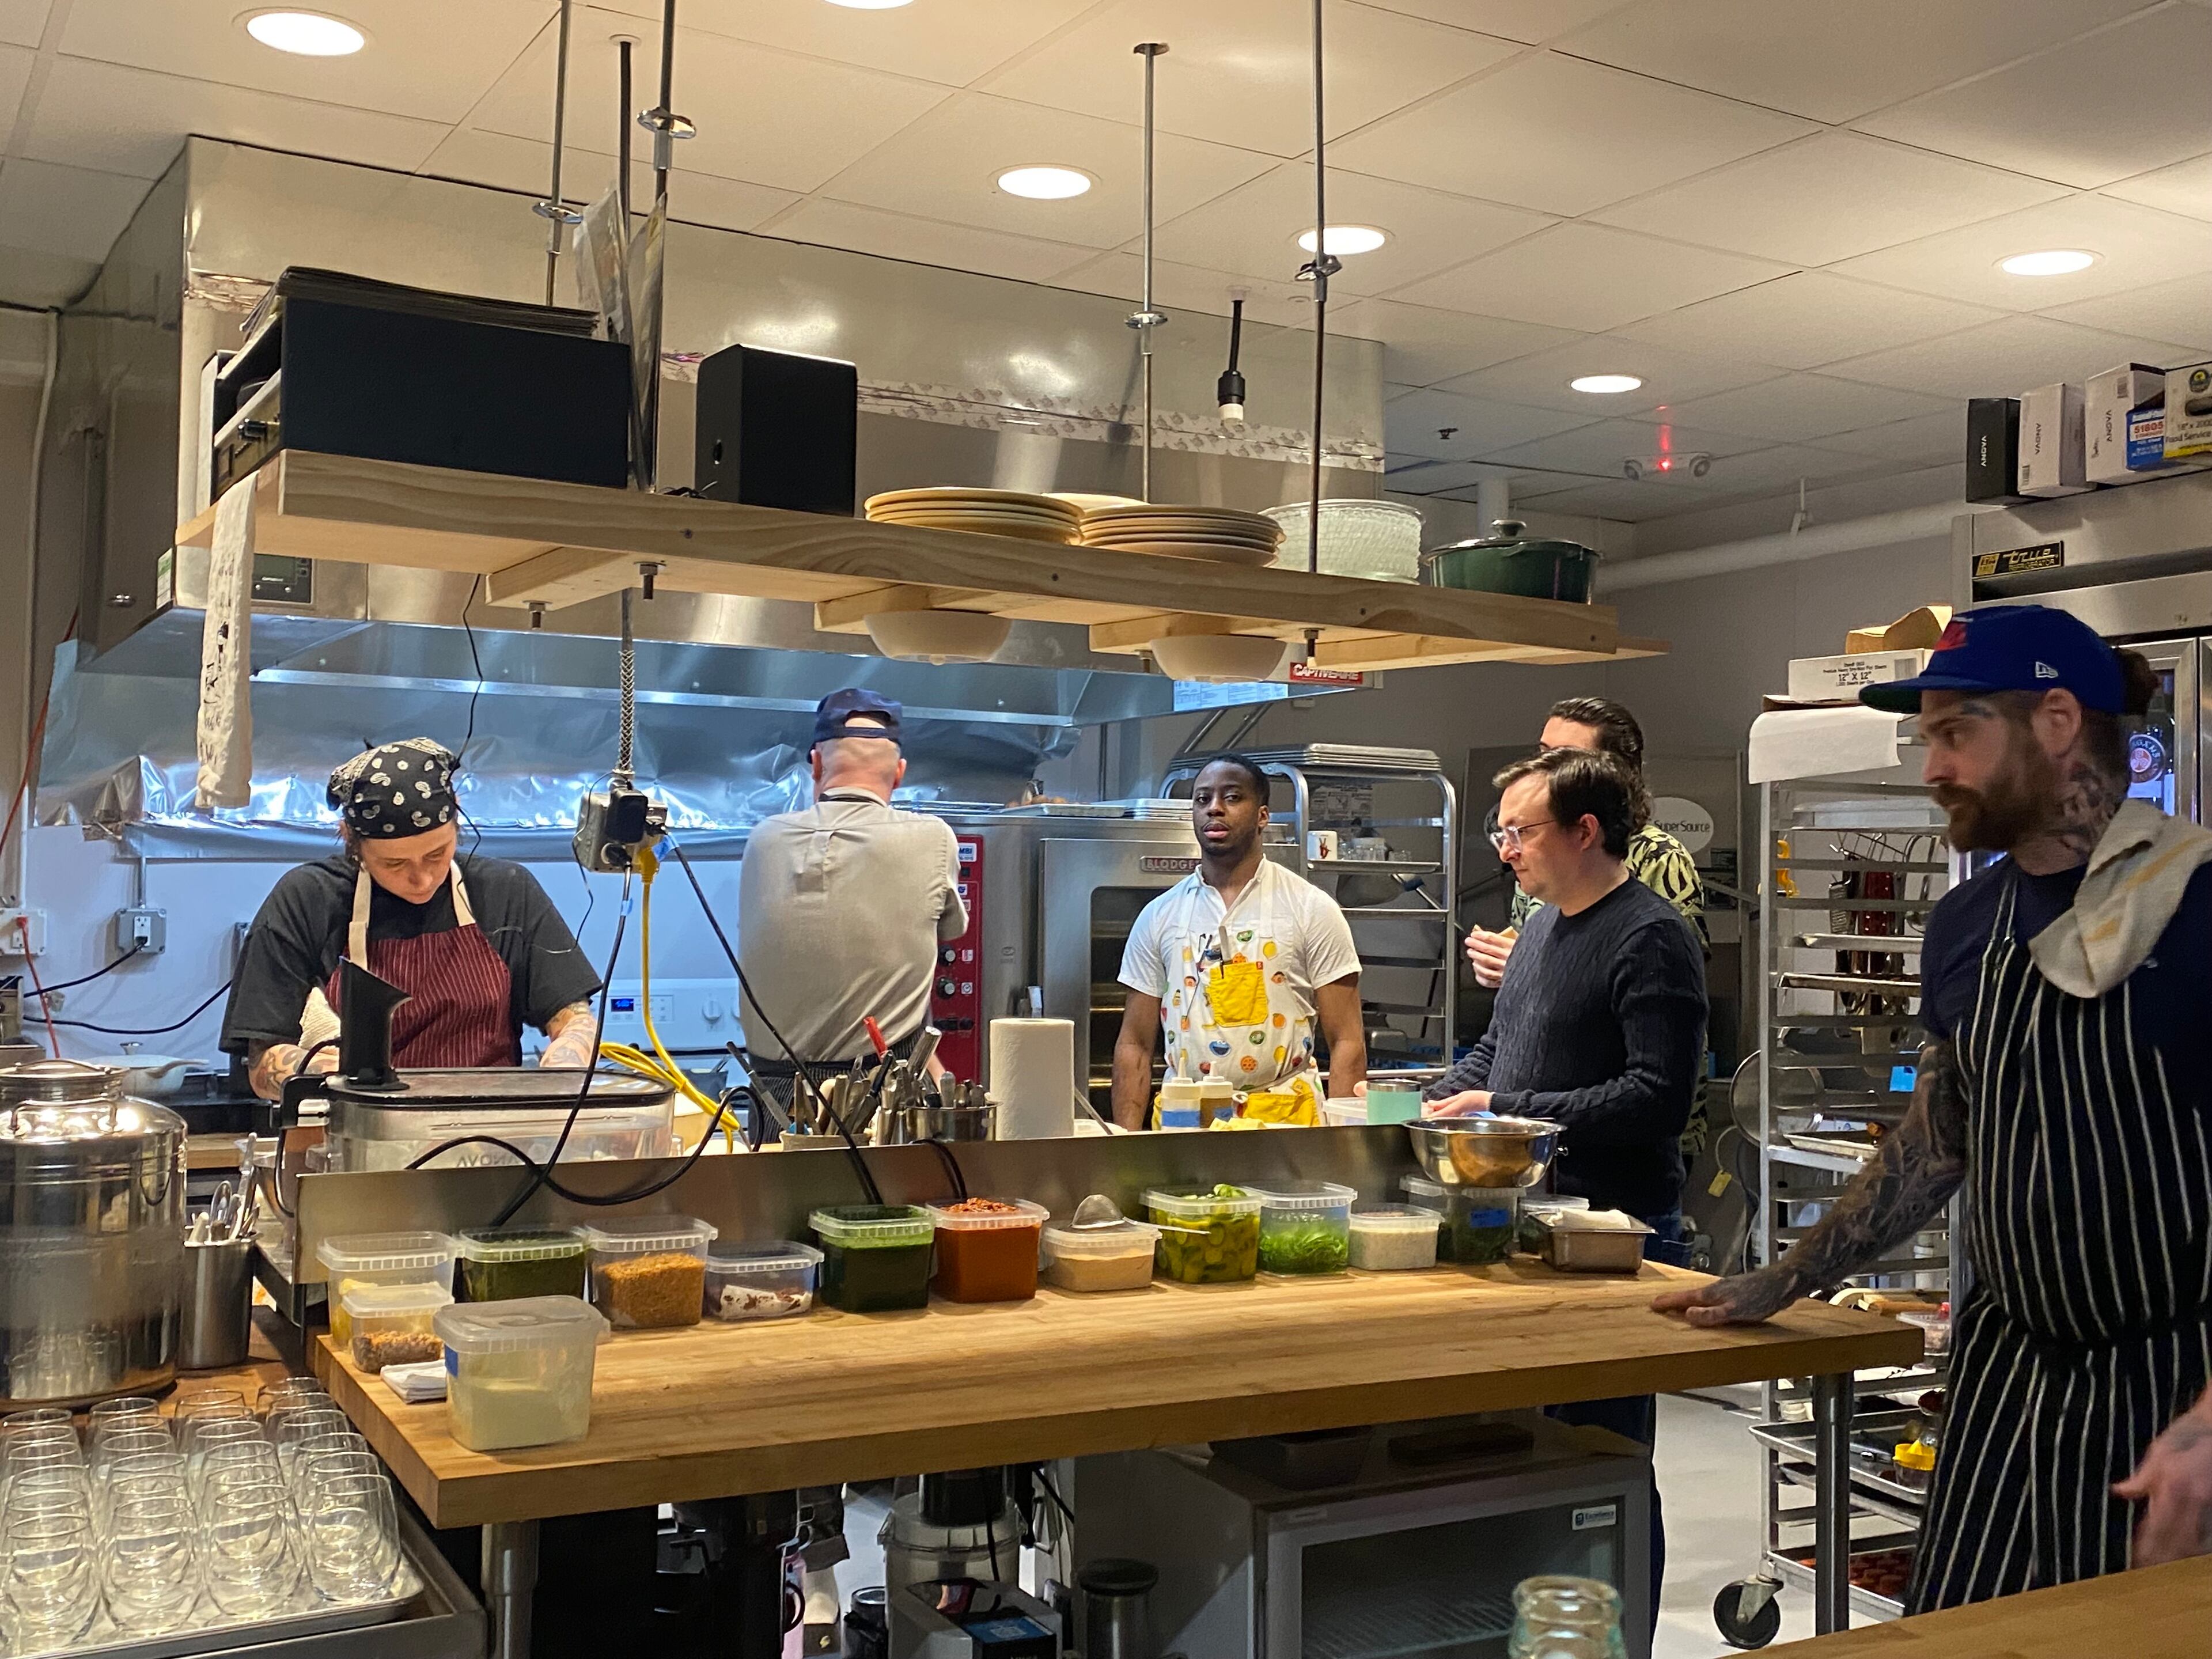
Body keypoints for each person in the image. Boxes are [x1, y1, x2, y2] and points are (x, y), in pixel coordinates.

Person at [1654, 603, 2212, 1609]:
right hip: (2005, 1375)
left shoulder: (2200, 908)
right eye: (1927, 739)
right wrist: (1780, 1279)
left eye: (1955, 734)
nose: (1930, 769)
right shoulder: (1967, 923)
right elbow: (1941, 1142)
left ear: (2053, 722)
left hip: (2180, 1389)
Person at [1425, 747, 1707, 1635]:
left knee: (1605, 1462)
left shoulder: (1651, 936)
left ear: (1586, 832)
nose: (1505, 849)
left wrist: (1506, 1107)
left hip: (1617, 1242)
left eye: (1521, 830)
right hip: (1531, 1229)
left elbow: (1657, 1096)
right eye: (1499, 831)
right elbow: (1498, 1053)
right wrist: (1419, 1094)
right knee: (1533, 1456)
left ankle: (1619, 1641)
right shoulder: (1543, 927)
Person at [222, 738, 601, 1099]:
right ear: (351, 840)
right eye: (395, 863)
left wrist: (567, 1061)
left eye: (437, 854)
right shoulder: (308, 900)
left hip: (488, 1137)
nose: (421, 879)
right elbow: (260, 1067)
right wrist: (327, 1071)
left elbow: (574, 1019)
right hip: (355, 1141)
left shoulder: (507, 892)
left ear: (457, 820)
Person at [736, 689, 965, 1111]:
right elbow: (950, 930)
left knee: (777, 1178)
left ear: (817, 765)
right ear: (898, 773)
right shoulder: (933, 838)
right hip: (885, 1098)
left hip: (776, 1099)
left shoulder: (763, 840)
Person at [1112, 753, 1365, 1128]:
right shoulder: (1160, 916)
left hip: (1286, 1125)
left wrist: (1345, 1146)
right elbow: (1134, 1045)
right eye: (1203, 799)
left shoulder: (1311, 908)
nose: (1215, 809)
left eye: (1232, 797)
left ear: (1263, 816)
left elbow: (1347, 1041)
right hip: (1184, 1121)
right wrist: (1123, 1147)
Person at [1465, 695, 1706, 990]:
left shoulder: (1660, 857)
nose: (1544, 768)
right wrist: (1504, 967)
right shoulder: (1534, 854)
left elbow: (1674, 977)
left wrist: (1527, 968)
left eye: (1564, 757)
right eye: (1543, 753)